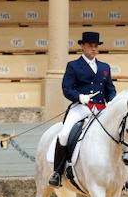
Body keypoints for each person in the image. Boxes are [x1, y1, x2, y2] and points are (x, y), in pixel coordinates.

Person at [49, 31, 120, 187]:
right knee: (64, 134)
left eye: (95, 46)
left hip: (101, 108)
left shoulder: (104, 67)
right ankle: (57, 172)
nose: (93, 49)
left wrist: (114, 101)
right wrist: (79, 97)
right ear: (82, 46)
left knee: (117, 134)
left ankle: (124, 175)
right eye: (90, 46)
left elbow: (110, 89)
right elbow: (66, 88)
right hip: (81, 107)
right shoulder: (73, 66)